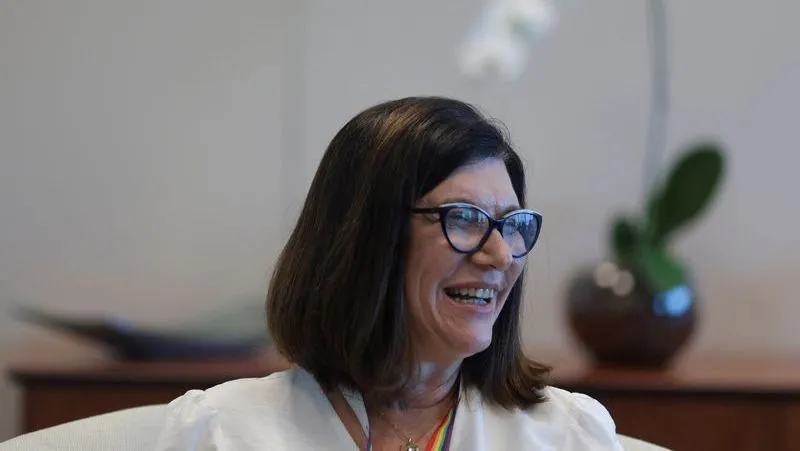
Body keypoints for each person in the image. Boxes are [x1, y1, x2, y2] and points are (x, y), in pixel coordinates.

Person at [155, 96, 623, 450]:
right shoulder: (218, 432)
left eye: (512, 224)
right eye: (464, 217)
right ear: (366, 238)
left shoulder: (569, 435)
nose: (500, 254)